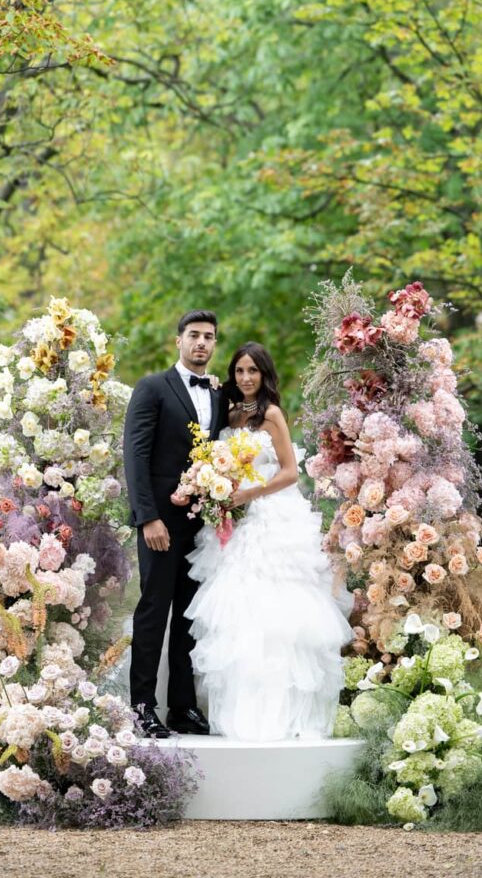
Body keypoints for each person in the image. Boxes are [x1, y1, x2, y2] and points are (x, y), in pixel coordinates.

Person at [185, 342, 353, 742]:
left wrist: (248, 493)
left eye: (253, 371)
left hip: (270, 518)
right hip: (233, 522)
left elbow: (291, 472)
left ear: (264, 374)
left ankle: (282, 712)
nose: (245, 378)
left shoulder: (272, 414)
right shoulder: (226, 413)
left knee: (275, 610)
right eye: (240, 371)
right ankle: (237, 710)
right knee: (235, 610)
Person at [122, 309, 223, 738]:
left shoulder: (218, 395)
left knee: (189, 617)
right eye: (194, 335)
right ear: (178, 341)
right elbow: (135, 455)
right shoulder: (151, 388)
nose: (201, 343)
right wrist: (148, 518)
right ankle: (142, 708)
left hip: (201, 524)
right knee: (153, 611)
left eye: (209, 337)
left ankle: (182, 707)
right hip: (160, 524)